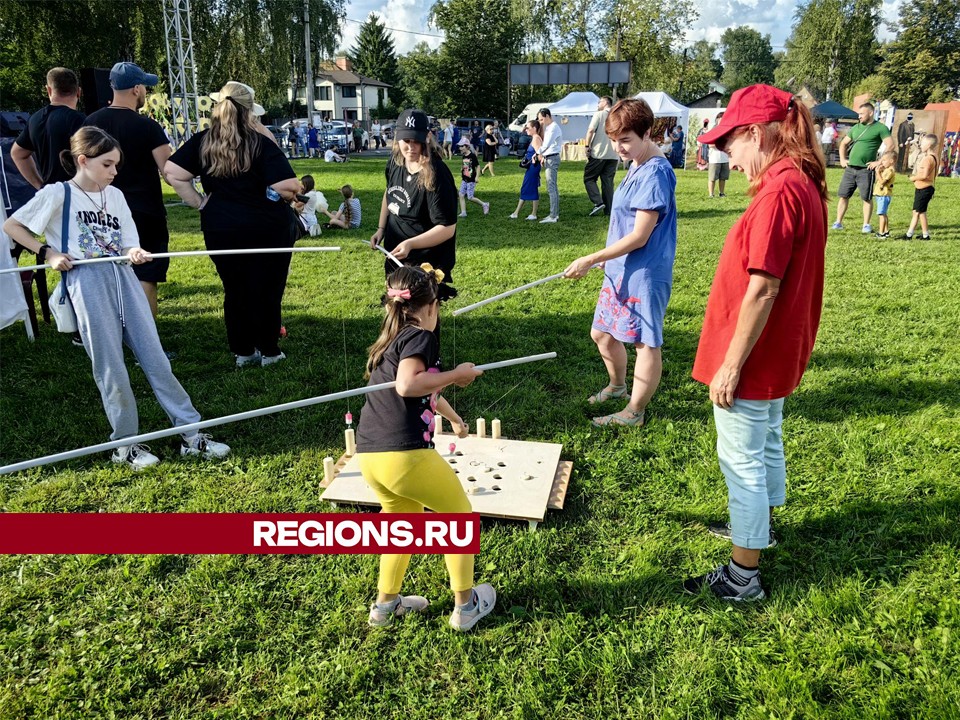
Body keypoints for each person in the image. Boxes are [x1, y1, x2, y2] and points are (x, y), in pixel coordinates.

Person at [2, 127, 231, 469]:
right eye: (108, 164)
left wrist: (134, 251)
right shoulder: (58, 194)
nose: (114, 171)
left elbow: (126, 241)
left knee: (156, 359)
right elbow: (13, 226)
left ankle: (191, 433)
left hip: (124, 277)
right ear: (83, 160)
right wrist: (48, 252)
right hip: (86, 281)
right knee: (111, 368)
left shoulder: (117, 196)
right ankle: (125, 446)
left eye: (116, 165)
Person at [685, 84, 828, 602]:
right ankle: (759, 531)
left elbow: (763, 285)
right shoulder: (798, 181)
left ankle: (743, 574)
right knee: (766, 442)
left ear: (755, 133)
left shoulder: (780, 191)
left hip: (754, 354)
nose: (728, 159)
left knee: (741, 460)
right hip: (777, 350)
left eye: (730, 147)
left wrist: (729, 365)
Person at [357, 264, 495, 631]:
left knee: (402, 524)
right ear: (431, 306)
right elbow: (408, 385)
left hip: (371, 455)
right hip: (404, 456)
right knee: (460, 518)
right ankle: (466, 606)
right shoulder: (421, 336)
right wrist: (457, 374)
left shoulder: (394, 337)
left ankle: (385, 607)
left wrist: (452, 417)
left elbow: (424, 387)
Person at [164, 81, 301, 367]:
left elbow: (172, 172)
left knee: (235, 288)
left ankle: (243, 351)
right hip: (265, 227)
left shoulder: (204, 140)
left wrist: (200, 202)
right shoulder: (258, 141)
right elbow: (288, 185)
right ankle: (269, 350)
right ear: (250, 111)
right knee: (268, 288)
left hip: (221, 228)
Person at [563, 98, 677, 428]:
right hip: (621, 267)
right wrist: (607, 259)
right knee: (602, 334)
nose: (618, 147)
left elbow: (641, 236)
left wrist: (591, 257)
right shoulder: (638, 163)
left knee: (645, 342)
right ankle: (617, 387)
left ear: (647, 133)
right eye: (614, 140)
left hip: (644, 273)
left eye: (625, 140)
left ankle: (634, 412)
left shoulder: (655, 173)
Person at [84, 62, 172, 320]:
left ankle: (113, 336)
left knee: (107, 275)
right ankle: (146, 344)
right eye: (144, 86)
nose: (145, 91)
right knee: (146, 273)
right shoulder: (148, 127)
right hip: (144, 211)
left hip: (100, 211)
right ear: (136, 89)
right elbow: (169, 171)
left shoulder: (91, 123)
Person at [370, 109, 459, 283]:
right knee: (395, 305)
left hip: (425, 262)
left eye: (416, 141)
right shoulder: (395, 161)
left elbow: (447, 228)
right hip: (395, 255)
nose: (411, 147)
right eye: (406, 140)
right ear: (397, 138)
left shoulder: (438, 174)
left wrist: (410, 244)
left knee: (419, 309)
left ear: (427, 137)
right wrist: (381, 229)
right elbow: (389, 193)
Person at [12, 67, 85, 190]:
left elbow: (17, 153)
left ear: (49, 90)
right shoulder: (81, 120)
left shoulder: (34, 119)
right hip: (79, 195)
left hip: (52, 196)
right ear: (78, 92)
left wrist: (40, 186)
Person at [832, 102, 893, 234]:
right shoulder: (856, 128)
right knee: (843, 196)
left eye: (861, 114)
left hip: (866, 170)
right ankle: (838, 222)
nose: (859, 116)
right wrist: (842, 159)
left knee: (866, 197)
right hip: (850, 168)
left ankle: (866, 224)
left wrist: (879, 162)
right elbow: (843, 144)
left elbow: (890, 145)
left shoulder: (880, 128)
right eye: (858, 114)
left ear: (870, 113)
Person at [583, 95, 619, 217]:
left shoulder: (599, 114)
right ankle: (609, 210)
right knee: (608, 182)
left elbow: (590, 130)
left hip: (599, 153)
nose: (597, 105)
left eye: (599, 102)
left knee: (589, 178)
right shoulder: (618, 115)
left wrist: (587, 146)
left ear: (605, 102)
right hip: (614, 154)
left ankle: (598, 202)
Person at [903, 133, 938, 240]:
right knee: (921, 212)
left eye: (922, 144)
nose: (920, 146)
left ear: (928, 145)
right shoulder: (934, 156)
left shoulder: (928, 159)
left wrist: (913, 178)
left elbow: (924, 175)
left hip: (924, 189)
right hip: (923, 188)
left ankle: (909, 234)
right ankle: (925, 234)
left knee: (916, 212)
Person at [510, 119, 543, 220]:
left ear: (534, 128)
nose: (526, 129)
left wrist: (534, 158)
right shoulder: (535, 138)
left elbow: (540, 155)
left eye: (528, 127)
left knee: (528, 188)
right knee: (529, 188)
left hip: (533, 167)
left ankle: (529, 214)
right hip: (532, 167)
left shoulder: (536, 138)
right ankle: (520, 213)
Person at [537, 107, 563, 223]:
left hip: (552, 158)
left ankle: (553, 216)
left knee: (551, 187)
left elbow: (546, 144)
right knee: (552, 187)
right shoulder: (549, 127)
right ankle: (554, 214)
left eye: (541, 119)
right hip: (549, 157)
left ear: (547, 116)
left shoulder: (553, 128)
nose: (540, 122)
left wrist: (537, 154)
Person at [458, 137, 489, 217]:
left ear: (467, 146)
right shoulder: (464, 156)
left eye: (462, 146)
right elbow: (465, 164)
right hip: (464, 179)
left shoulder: (472, 156)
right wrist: (462, 168)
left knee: (470, 197)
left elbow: (478, 166)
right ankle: (463, 212)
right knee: (461, 195)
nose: (460, 148)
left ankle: (484, 204)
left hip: (471, 180)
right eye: (460, 146)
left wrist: (477, 177)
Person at [873, 151, 896, 238]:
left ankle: (881, 233)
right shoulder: (886, 170)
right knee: (884, 214)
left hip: (884, 195)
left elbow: (882, 182)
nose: (882, 162)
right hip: (881, 194)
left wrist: (878, 173)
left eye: (884, 160)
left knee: (881, 214)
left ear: (891, 161)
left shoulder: (890, 171)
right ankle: (886, 231)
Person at [708, 113, 730, 198]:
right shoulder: (713, 130)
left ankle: (722, 193)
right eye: (721, 118)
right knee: (712, 177)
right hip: (714, 158)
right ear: (717, 119)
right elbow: (710, 145)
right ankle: (711, 194)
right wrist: (721, 145)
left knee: (723, 177)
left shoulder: (727, 130)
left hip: (725, 158)